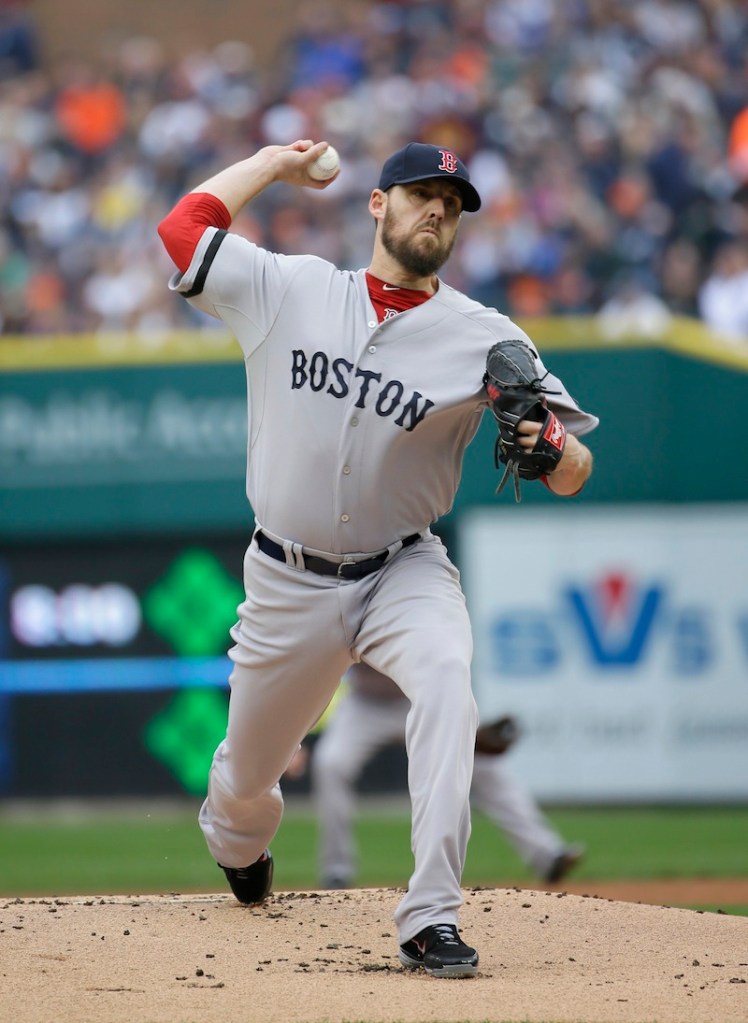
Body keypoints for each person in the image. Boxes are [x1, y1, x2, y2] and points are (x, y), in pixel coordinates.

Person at [157, 139, 598, 979]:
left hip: (404, 568)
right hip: (286, 578)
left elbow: (575, 467)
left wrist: (549, 451)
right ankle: (241, 845)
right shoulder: (290, 289)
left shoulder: (487, 337)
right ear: (378, 203)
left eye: (454, 201)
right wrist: (271, 162)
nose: (438, 208)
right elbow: (183, 229)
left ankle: (430, 916)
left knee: (444, 684)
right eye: (423, 192)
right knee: (245, 790)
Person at [311, 662, 585, 891]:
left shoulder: (425, 604)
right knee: (331, 764)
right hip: (365, 705)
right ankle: (337, 872)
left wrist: (464, 725)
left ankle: (546, 854)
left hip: (425, 699)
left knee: (486, 768)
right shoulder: (356, 602)